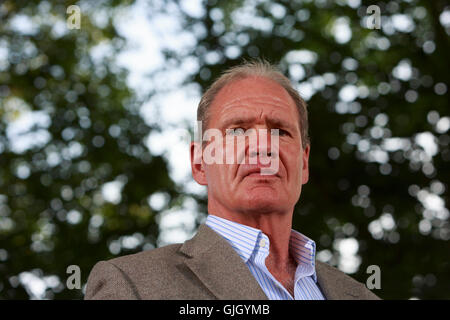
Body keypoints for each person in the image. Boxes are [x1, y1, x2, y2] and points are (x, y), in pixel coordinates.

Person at [84, 60, 380, 300]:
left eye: (281, 131)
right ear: (200, 163)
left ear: (303, 163)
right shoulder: (132, 285)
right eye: (237, 131)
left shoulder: (360, 295)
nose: (264, 146)